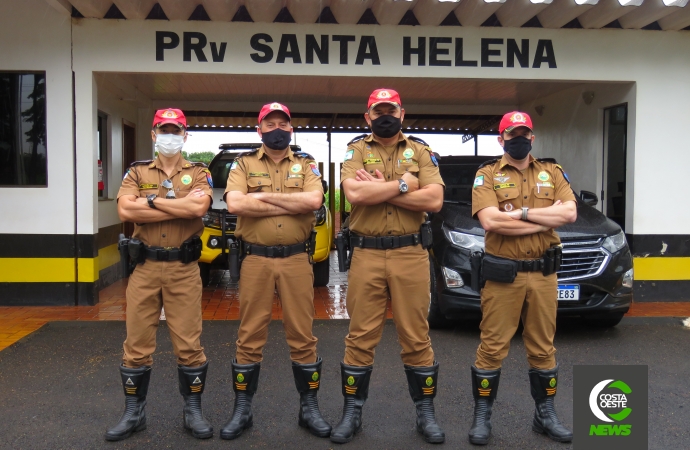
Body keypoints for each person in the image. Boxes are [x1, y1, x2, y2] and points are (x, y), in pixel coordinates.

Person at [331, 89, 446, 444]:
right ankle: (352, 414)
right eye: (378, 111)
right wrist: (404, 183)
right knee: (361, 336)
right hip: (367, 254)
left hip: (411, 254)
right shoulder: (356, 151)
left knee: (416, 335)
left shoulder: (421, 151)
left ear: (402, 112)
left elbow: (435, 199)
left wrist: (383, 187)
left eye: (391, 110)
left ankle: (425, 414)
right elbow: (355, 195)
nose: (385, 116)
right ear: (367, 116)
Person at [220, 102, 330, 440]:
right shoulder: (244, 164)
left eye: (283, 123)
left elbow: (314, 201)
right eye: (271, 124)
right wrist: (286, 200)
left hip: (297, 259)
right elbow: (235, 203)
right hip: (256, 259)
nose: (277, 128)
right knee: (250, 334)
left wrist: (263, 198)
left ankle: (309, 409)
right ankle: (242, 410)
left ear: (290, 128)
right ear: (260, 129)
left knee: (302, 333)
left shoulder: (307, 165)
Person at [468, 111, 576, 445]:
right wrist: (547, 220)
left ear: (533, 137)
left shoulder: (551, 172)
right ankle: (482, 418)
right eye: (512, 134)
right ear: (501, 139)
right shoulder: (487, 174)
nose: (519, 139)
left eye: (525, 133)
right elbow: (491, 222)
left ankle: (545, 415)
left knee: (543, 348)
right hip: (504, 276)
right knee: (492, 348)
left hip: (543, 276)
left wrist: (524, 213)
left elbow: (570, 212)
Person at [108, 108, 213, 441]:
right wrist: (174, 203)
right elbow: (125, 209)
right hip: (145, 268)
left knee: (189, 344)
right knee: (136, 344)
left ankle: (193, 412)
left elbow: (198, 209)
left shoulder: (199, 172)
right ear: (154, 135)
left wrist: (150, 202)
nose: (170, 135)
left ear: (185, 135)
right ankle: (133, 413)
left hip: (184, 269)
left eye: (176, 129)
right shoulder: (138, 172)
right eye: (163, 129)